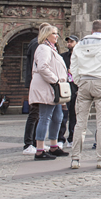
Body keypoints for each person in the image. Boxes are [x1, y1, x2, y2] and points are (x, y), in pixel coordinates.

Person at [69, 20, 101, 169]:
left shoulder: (79, 45)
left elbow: (73, 66)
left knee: (80, 123)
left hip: (84, 82)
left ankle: (75, 159)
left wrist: (79, 81)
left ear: (92, 30)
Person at [29, 25, 69, 160]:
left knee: (58, 117)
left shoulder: (52, 49)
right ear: (46, 35)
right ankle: (39, 150)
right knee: (45, 117)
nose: (56, 36)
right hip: (47, 88)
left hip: (54, 89)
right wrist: (55, 80)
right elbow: (42, 67)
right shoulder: (43, 48)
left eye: (56, 33)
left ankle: (53, 146)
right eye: (54, 33)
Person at [23, 23, 51, 155]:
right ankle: (28, 144)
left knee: (38, 114)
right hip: (36, 82)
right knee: (34, 114)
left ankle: (35, 142)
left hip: (38, 82)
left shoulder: (40, 44)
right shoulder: (38, 44)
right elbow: (39, 65)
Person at [59, 35, 78, 147]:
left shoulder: (80, 57)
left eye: (71, 41)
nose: (69, 43)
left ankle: (72, 138)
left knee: (74, 115)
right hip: (65, 88)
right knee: (63, 115)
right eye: (68, 42)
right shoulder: (63, 57)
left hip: (76, 88)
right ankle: (60, 138)